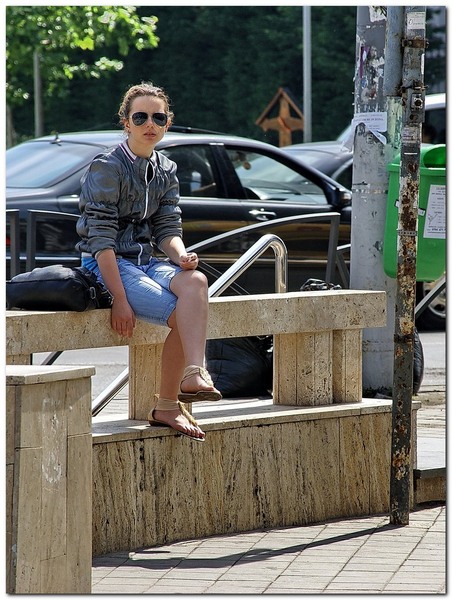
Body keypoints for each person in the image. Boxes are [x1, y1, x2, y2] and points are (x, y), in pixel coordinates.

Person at [76, 82, 222, 442]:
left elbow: (168, 228)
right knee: (182, 315)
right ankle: (169, 404)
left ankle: (193, 373)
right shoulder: (107, 167)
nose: (149, 124)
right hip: (107, 264)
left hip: (146, 261)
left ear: (167, 123)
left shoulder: (166, 168)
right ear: (126, 122)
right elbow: (100, 240)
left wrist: (181, 255)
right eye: (140, 117)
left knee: (196, 281)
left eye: (158, 117)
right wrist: (119, 299)